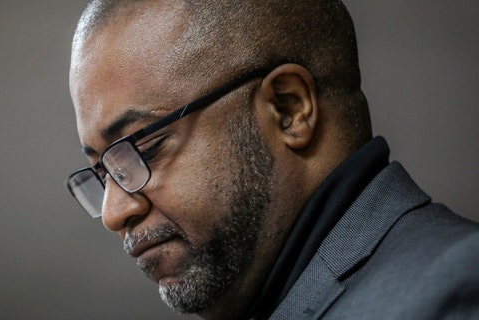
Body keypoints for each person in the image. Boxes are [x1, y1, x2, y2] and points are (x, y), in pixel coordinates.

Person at [65, 0, 479, 319]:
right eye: (104, 171)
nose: (113, 213)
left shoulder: (452, 291)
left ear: (289, 108)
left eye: (147, 146)